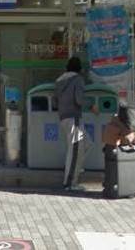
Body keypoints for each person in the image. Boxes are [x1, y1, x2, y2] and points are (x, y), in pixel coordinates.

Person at [53, 57, 97, 191]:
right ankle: (70, 183)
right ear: (79, 68)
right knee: (75, 151)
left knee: (87, 143)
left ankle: (75, 167)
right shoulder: (78, 79)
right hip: (74, 118)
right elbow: (79, 99)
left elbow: (55, 102)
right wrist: (91, 105)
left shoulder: (59, 80)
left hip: (63, 118)